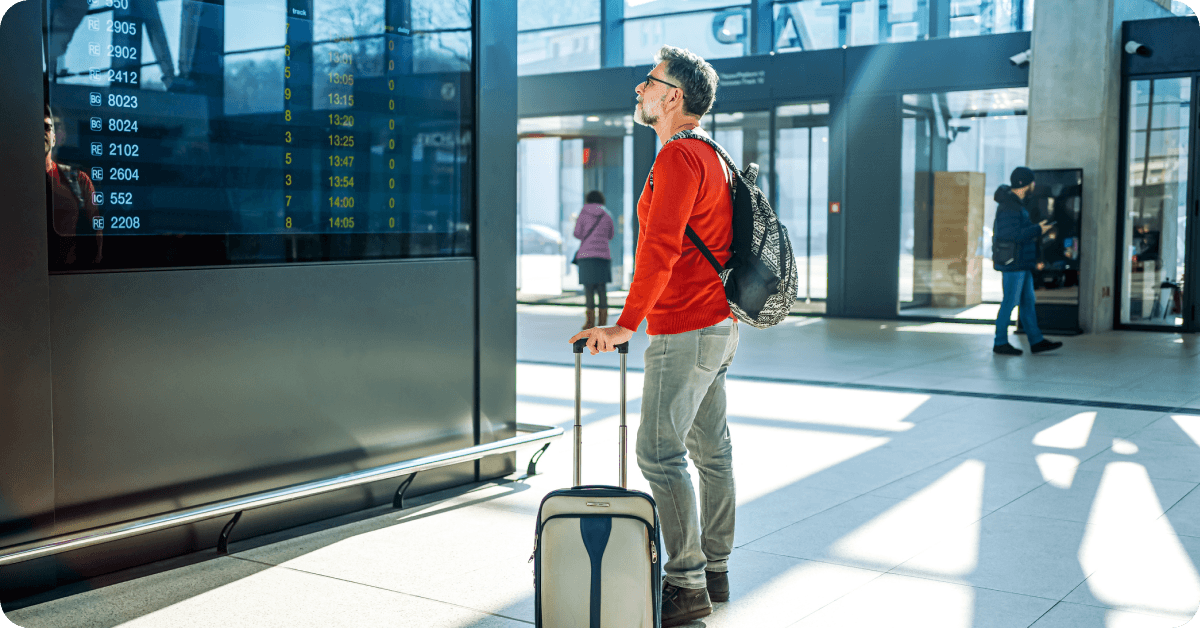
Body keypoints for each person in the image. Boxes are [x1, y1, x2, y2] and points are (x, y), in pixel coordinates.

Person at [569, 45, 736, 626]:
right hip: (719, 325)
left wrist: (625, 324)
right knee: (711, 452)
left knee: (658, 454)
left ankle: (686, 584)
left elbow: (659, 249)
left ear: (674, 96)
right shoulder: (713, 154)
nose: (639, 90)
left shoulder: (676, 159)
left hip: (686, 326)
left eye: (649, 82)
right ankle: (714, 570)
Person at [993, 166, 1061, 355]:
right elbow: (1011, 235)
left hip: (1021, 261)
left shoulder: (1016, 204)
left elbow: (1016, 231)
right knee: (1010, 302)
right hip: (1013, 263)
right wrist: (1038, 229)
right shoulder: (1009, 205)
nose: (1034, 185)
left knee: (1028, 300)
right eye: (1032, 182)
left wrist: (1036, 228)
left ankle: (1036, 341)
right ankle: (1000, 342)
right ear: (1024, 184)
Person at [45, 104, 103, 266]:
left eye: (48, 127)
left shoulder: (78, 179)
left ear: (57, 137)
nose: (42, 132)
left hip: (68, 273)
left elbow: (96, 230)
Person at [573, 190, 616, 330]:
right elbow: (611, 235)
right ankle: (603, 322)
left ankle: (590, 322)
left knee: (589, 290)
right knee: (602, 290)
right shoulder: (607, 215)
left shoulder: (583, 214)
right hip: (602, 257)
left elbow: (577, 234)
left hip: (586, 257)